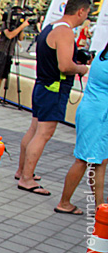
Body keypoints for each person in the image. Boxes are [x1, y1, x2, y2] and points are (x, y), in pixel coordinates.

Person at [15, 0, 91, 196]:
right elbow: (65, 65)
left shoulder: (50, 27)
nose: (86, 18)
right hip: (54, 89)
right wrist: (82, 69)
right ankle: (27, 178)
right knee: (43, 133)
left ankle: (22, 170)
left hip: (42, 85)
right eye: (87, 14)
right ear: (81, 11)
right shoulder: (65, 32)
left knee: (34, 129)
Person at [55, 43, 108, 214]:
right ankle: (64, 202)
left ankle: (99, 206)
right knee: (84, 160)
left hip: (93, 112)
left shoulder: (101, 55)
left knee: (99, 161)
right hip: (97, 115)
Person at [0, 10, 27, 104]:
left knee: (2, 75)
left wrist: (21, 27)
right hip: (2, 51)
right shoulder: (6, 24)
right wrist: (22, 26)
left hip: (9, 53)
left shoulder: (17, 27)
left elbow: (20, 38)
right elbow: (10, 35)